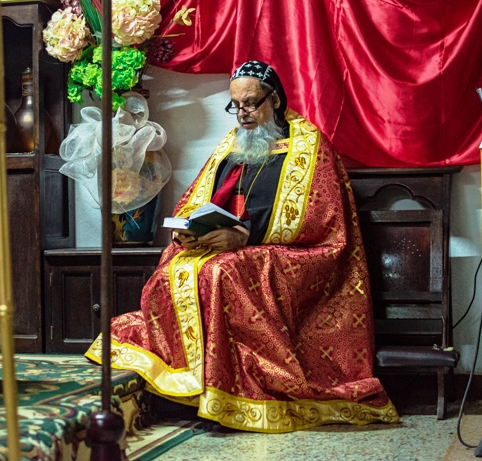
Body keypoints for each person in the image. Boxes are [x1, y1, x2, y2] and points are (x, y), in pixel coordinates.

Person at [86, 61, 399, 433]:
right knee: (178, 266)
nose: (242, 114)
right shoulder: (233, 144)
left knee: (222, 272)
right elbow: (198, 198)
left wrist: (246, 237)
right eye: (235, 105)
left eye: (250, 103)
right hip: (233, 247)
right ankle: (190, 385)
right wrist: (189, 232)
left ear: (276, 100)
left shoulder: (308, 145)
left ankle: (230, 393)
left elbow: (322, 220)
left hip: (302, 257)